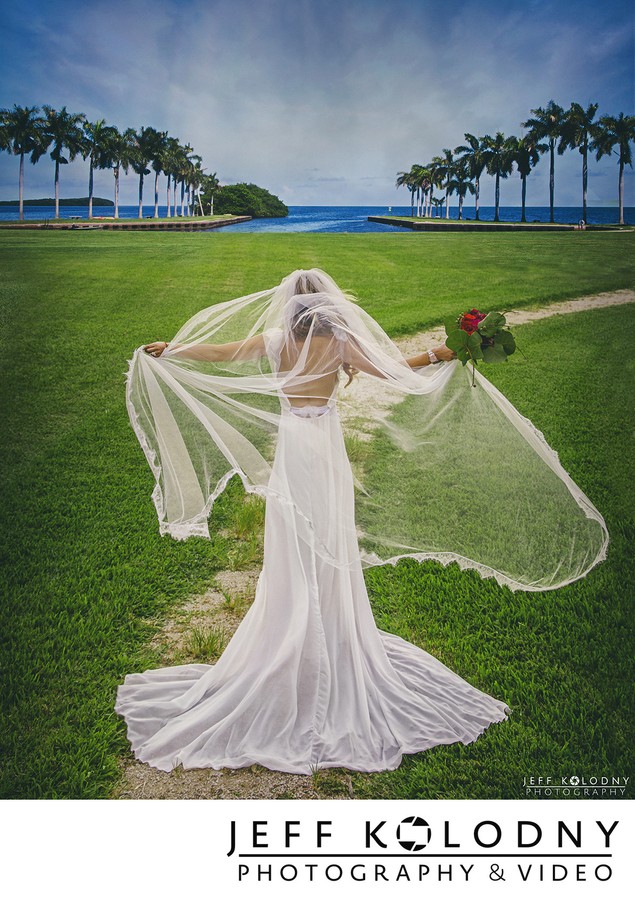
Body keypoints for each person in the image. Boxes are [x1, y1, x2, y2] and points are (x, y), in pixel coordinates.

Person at [115, 269, 608, 774]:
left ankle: (291, 628)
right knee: (328, 531)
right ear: (329, 309)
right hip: (324, 449)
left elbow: (221, 352)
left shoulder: (274, 340)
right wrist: (447, 352)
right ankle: (329, 626)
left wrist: (172, 349)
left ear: (287, 309)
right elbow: (397, 368)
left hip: (293, 448)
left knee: (295, 538)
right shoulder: (340, 344)